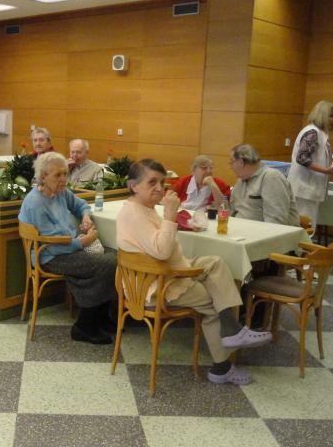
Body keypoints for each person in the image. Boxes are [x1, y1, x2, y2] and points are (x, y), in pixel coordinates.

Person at [117, 159, 272, 385]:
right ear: (134, 186)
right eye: (152, 182)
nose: (159, 188)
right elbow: (162, 251)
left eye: (161, 182)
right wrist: (170, 216)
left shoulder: (142, 207)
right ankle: (222, 367)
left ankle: (232, 329)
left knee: (216, 263)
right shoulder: (135, 214)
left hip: (168, 270)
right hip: (157, 285)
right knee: (213, 300)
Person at [18, 151, 117, 345]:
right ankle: (84, 326)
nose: (63, 178)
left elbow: (80, 205)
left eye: (65, 173)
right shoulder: (35, 202)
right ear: (43, 176)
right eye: (58, 174)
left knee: (113, 256)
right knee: (107, 263)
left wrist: (86, 216)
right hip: (49, 255)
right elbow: (52, 242)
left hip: (68, 248)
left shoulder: (60, 192)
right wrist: (83, 242)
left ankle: (100, 316)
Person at [288, 100, 333, 229]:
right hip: (303, 190)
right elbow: (302, 158)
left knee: (307, 228)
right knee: (304, 229)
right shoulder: (312, 132)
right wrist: (326, 170)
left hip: (309, 190)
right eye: (330, 116)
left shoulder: (319, 134)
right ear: (322, 115)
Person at [229, 143, 299, 226]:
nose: (230, 167)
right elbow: (231, 211)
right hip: (239, 230)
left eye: (231, 162)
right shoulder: (240, 181)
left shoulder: (271, 178)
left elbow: (276, 222)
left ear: (241, 162)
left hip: (263, 232)